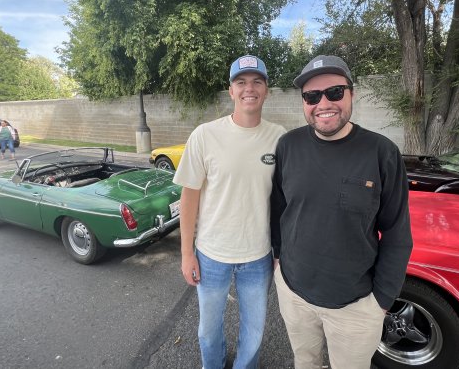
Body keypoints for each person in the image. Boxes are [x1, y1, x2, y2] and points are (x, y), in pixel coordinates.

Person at [270, 55, 413, 369]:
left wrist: (381, 300)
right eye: (311, 96)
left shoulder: (382, 153)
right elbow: (279, 209)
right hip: (293, 294)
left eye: (334, 92)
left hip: (356, 306)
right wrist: (279, 260)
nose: (323, 103)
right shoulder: (288, 146)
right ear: (304, 102)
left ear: (351, 94)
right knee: (305, 362)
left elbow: (397, 233)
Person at [173, 55, 286, 369]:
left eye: (257, 82)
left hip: (259, 256)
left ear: (266, 91)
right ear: (231, 90)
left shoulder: (280, 138)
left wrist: (281, 251)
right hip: (211, 255)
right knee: (208, 331)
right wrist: (186, 254)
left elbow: (284, 200)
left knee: (255, 331)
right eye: (241, 82)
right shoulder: (205, 135)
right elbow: (189, 197)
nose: (249, 88)